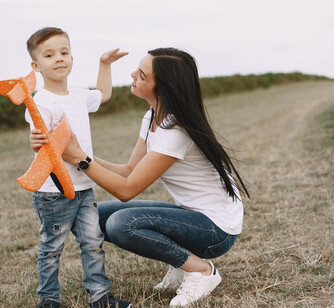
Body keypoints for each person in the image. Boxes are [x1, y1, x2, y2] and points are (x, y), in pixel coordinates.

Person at [31, 47, 249, 307]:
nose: (133, 74)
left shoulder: (176, 131)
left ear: (163, 88)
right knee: (95, 216)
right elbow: (129, 170)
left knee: (121, 224)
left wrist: (80, 158)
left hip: (216, 231)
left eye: (142, 75)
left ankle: (200, 270)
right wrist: (75, 152)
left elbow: (127, 189)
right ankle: (182, 263)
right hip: (193, 216)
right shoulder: (153, 116)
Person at [25, 27, 132, 308]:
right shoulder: (40, 101)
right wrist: (35, 140)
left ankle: (100, 297)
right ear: (36, 66)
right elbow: (40, 139)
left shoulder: (79, 94)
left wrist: (104, 63)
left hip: (84, 187)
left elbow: (105, 94)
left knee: (93, 244)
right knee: (52, 249)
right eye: (49, 55)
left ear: (71, 57)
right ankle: (48, 300)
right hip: (54, 192)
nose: (59, 58)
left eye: (64, 52)